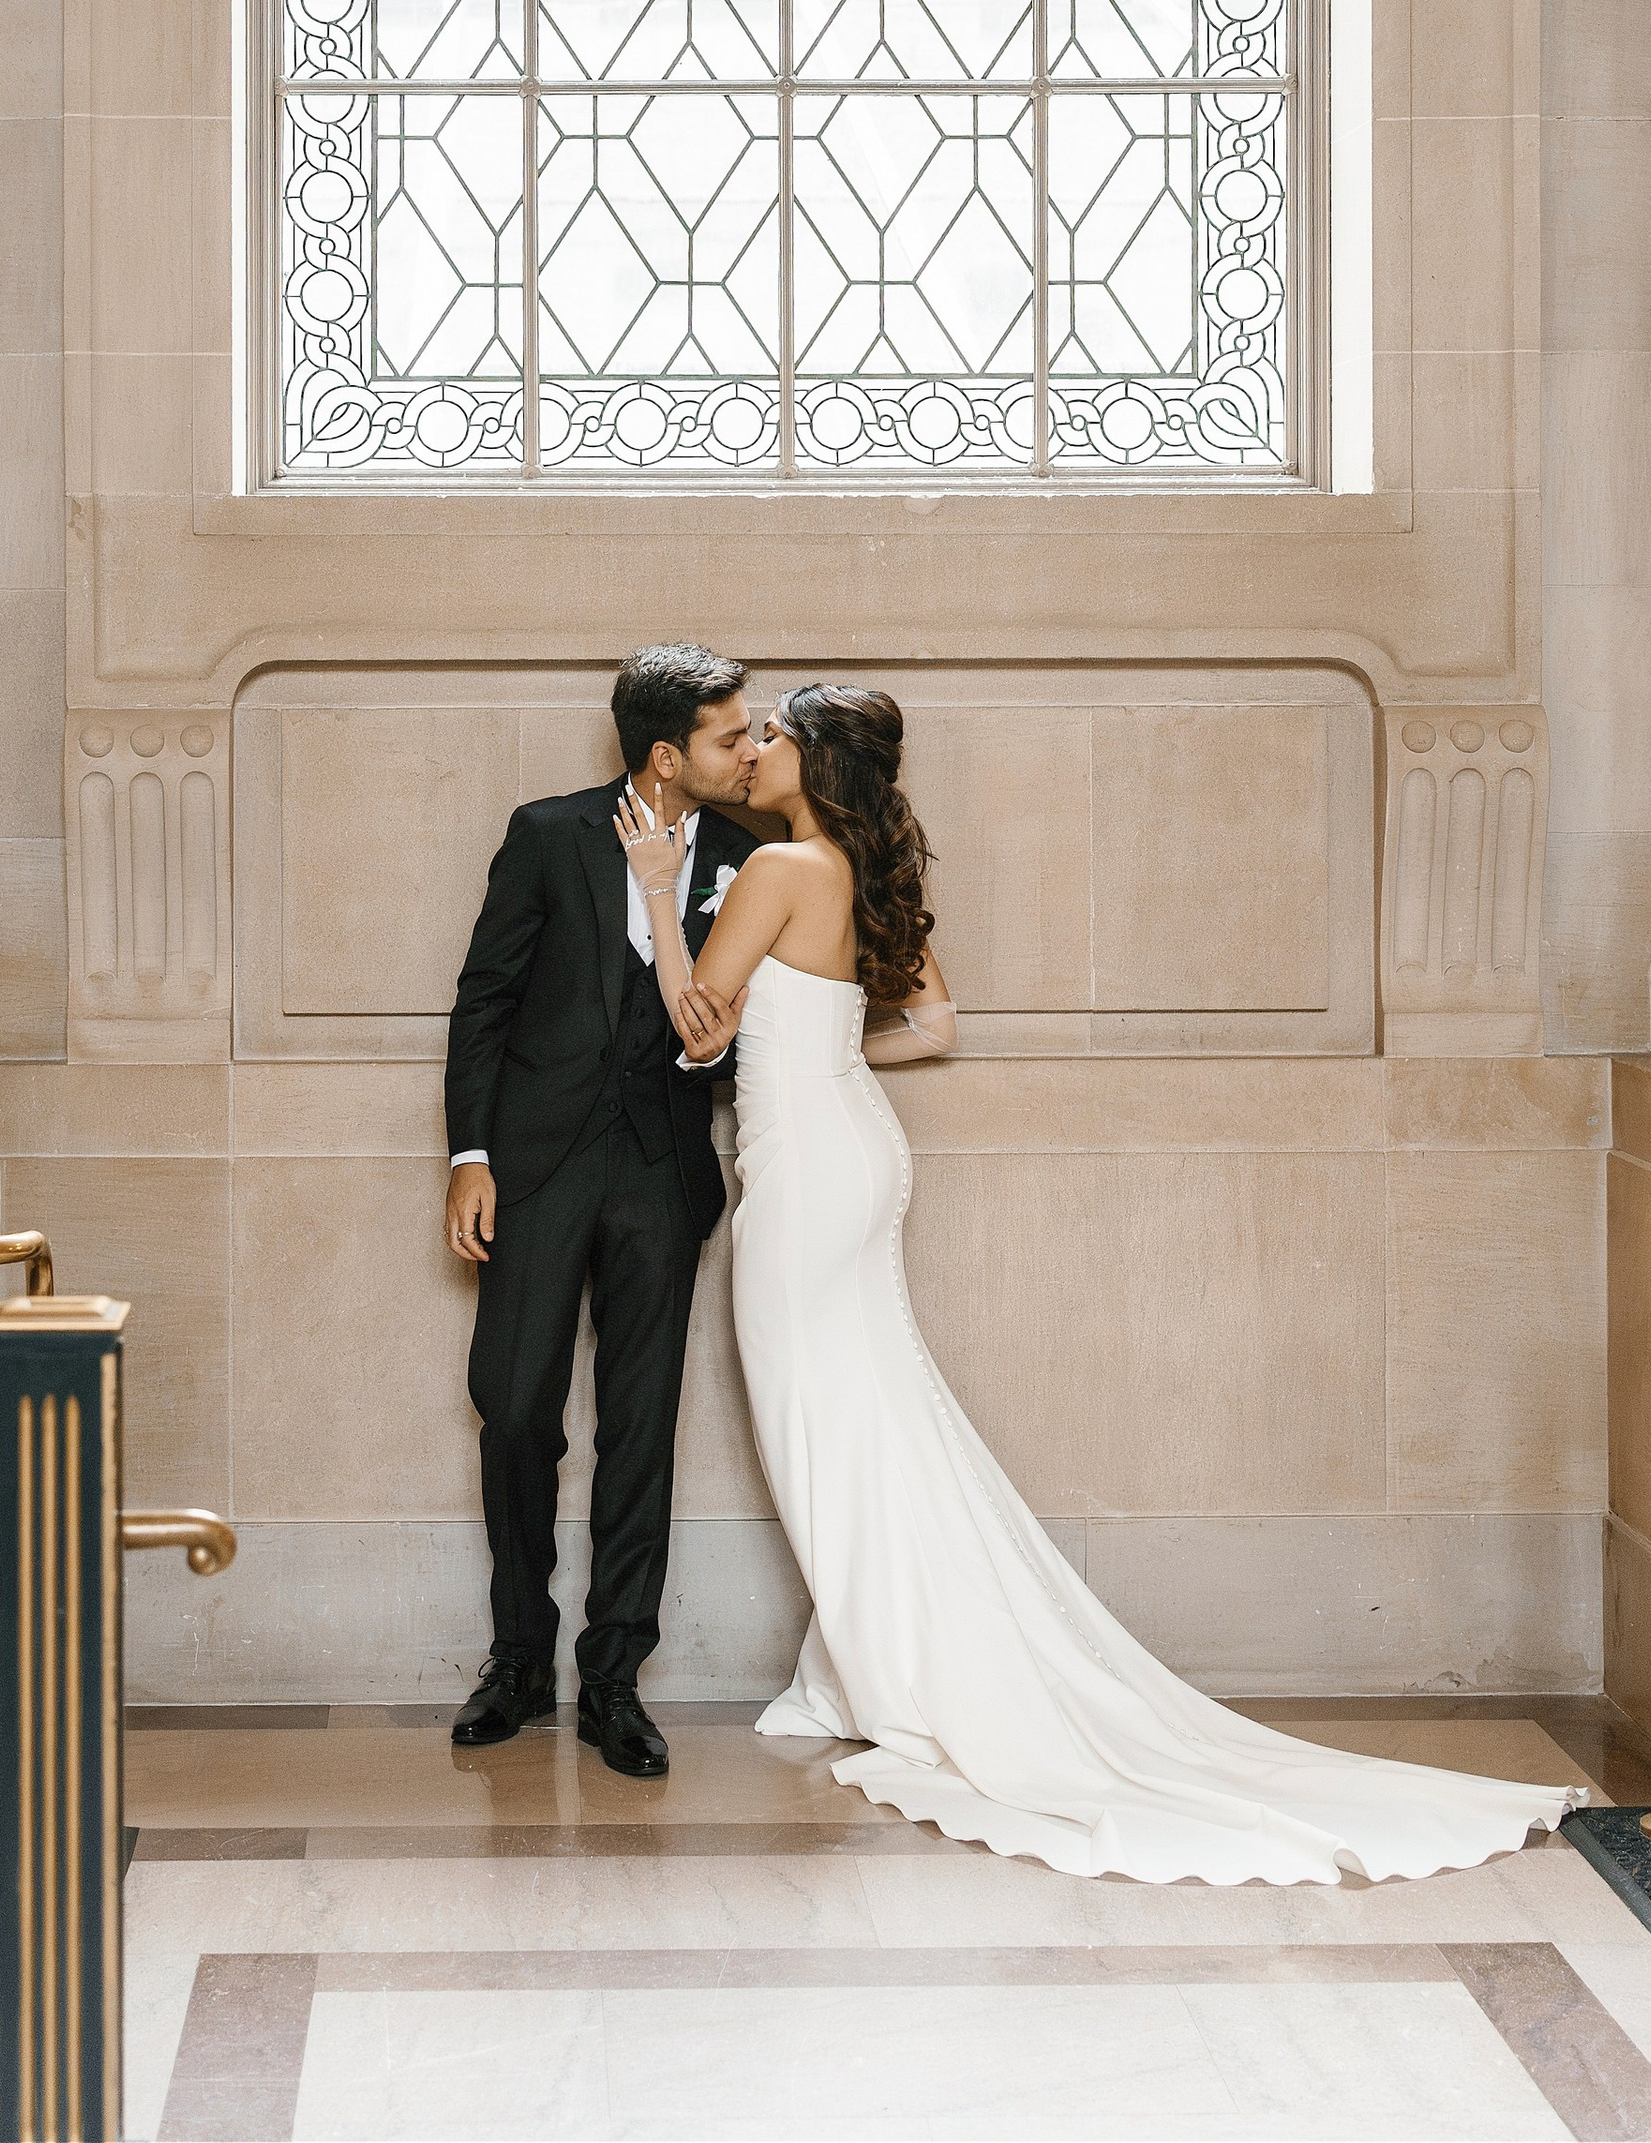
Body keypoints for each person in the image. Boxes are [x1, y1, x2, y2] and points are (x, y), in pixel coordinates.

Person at [623, 681, 1586, 1886]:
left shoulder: (778, 871)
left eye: (771, 735)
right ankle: (866, 1659)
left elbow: (696, 1031)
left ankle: (886, 1671)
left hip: (807, 1171)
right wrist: (812, 1051)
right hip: (856, 1151)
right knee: (869, 1412)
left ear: (814, 761)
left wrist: (663, 892)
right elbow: (933, 1026)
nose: (753, 749)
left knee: (821, 1421)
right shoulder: (857, 869)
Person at [441, 642, 761, 1780]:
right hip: (533, 1168)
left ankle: (614, 1676)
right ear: (667, 755)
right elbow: (484, 998)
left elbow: (727, 1029)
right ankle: (519, 1657)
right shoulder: (547, 834)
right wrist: (469, 1156)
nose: (751, 750)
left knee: (641, 1429)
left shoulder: (744, 852)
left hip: (661, 1170)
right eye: (731, 735)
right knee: (515, 1409)